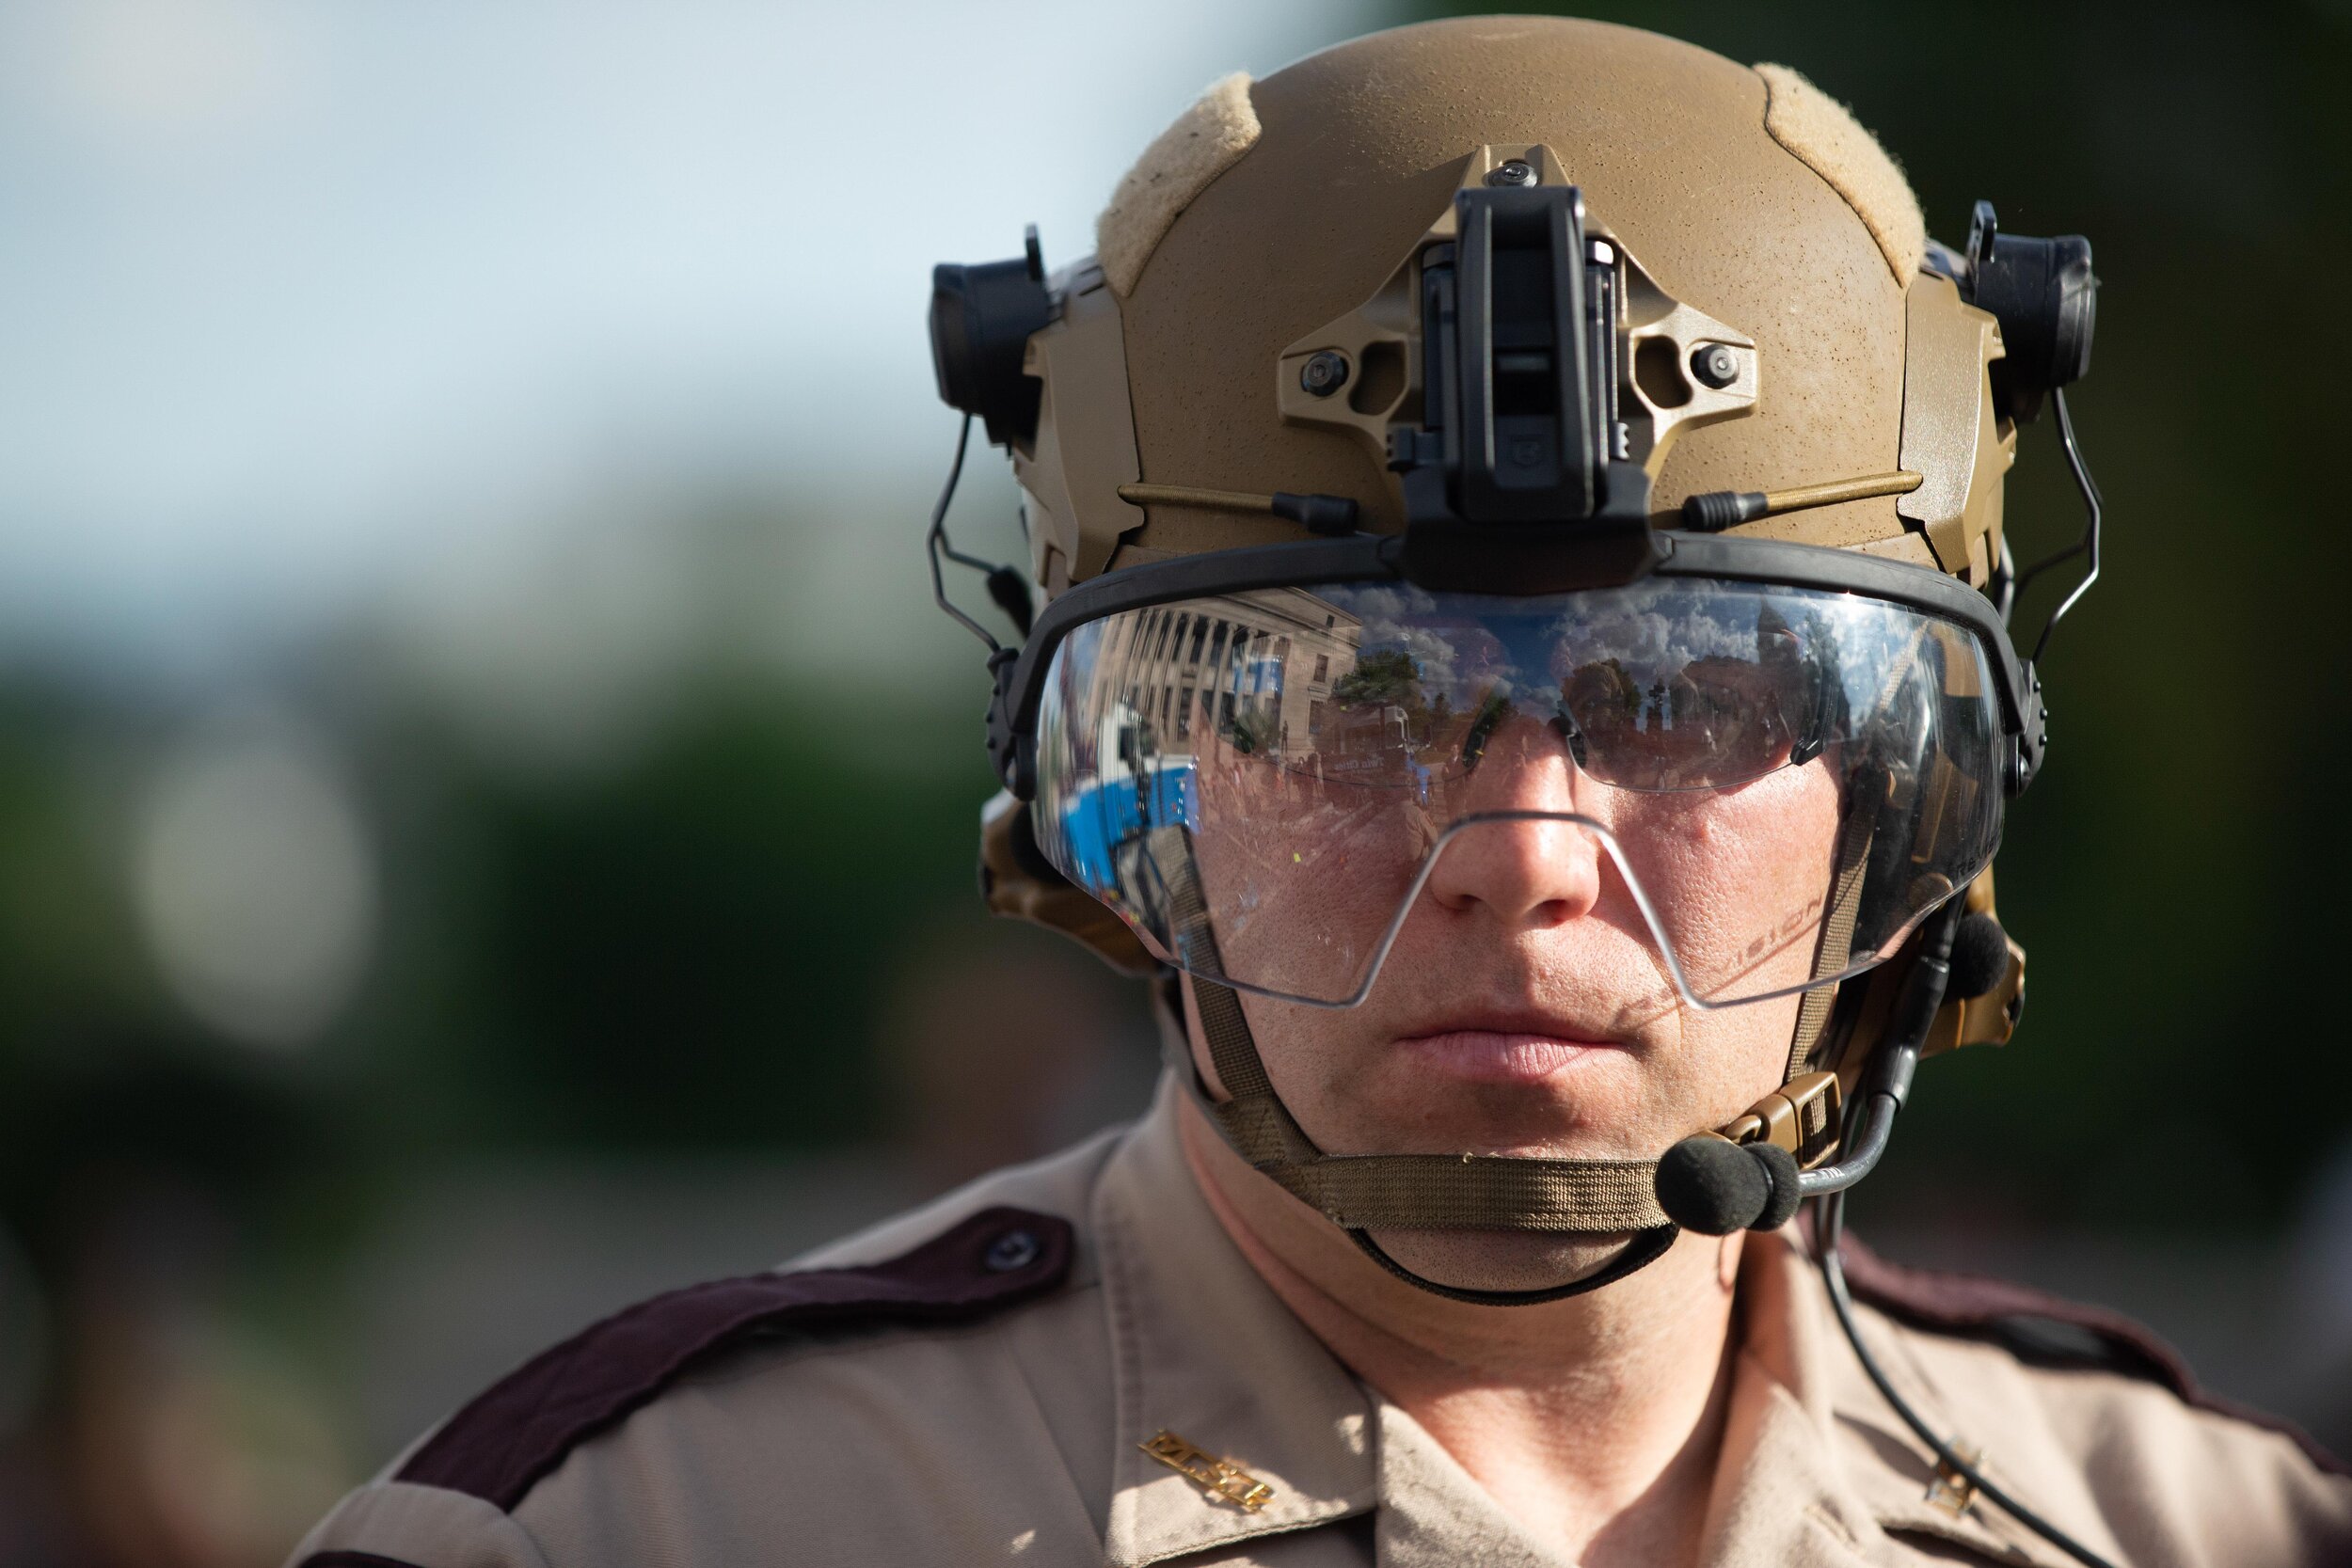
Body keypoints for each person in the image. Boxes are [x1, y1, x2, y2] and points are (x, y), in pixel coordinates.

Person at [291, 17, 2352, 1567]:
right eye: (1350, 705)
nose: (1527, 858)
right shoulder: (637, 1531)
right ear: (1117, 816)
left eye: (1689, 699)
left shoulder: (2194, 1530)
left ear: (1901, 818)